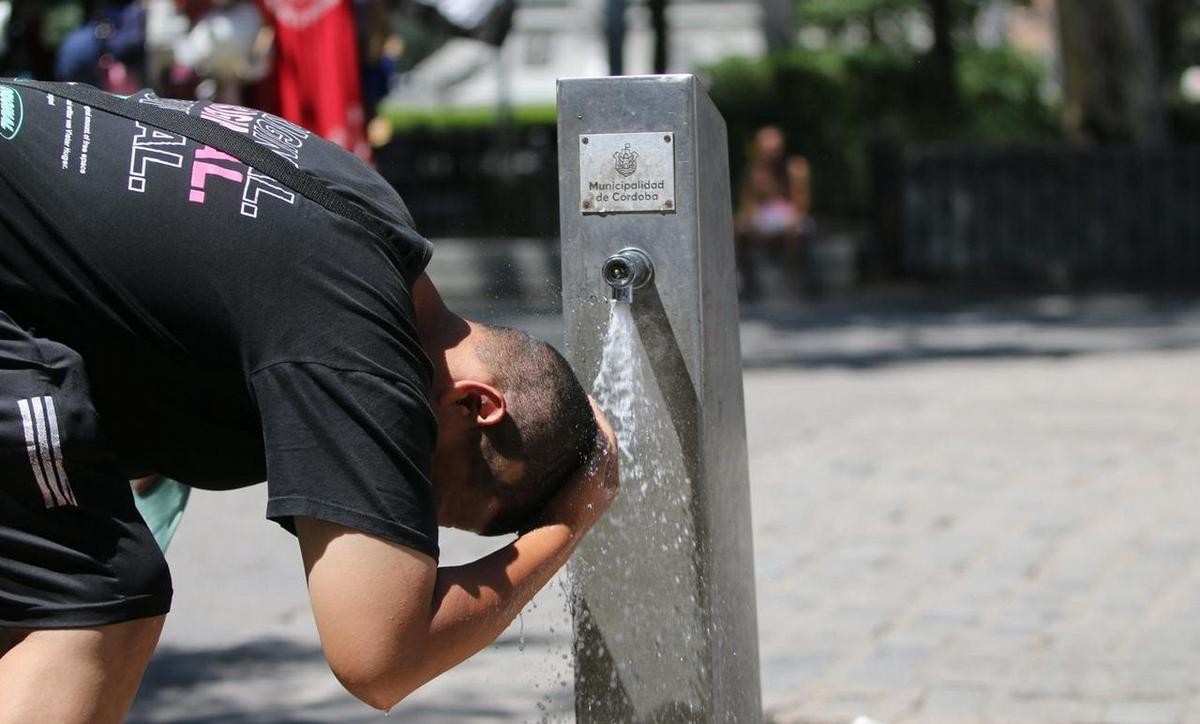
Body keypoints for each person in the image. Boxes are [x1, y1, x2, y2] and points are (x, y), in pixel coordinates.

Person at [0, 79, 618, 722]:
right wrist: (572, 520)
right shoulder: (357, 344)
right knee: (92, 599)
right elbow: (379, 657)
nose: (393, 507)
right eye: (428, 492)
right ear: (473, 405)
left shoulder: (367, 217)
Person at [734, 125, 817, 300]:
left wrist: (791, 219)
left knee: (798, 227)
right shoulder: (755, 171)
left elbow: (801, 205)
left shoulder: (795, 168)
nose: (773, 154)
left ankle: (793, 276)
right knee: (738, 227)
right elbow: (748, 204)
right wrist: (753, 223)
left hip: (789, 217)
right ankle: (742, 277)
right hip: (765, 218)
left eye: (776, 149)